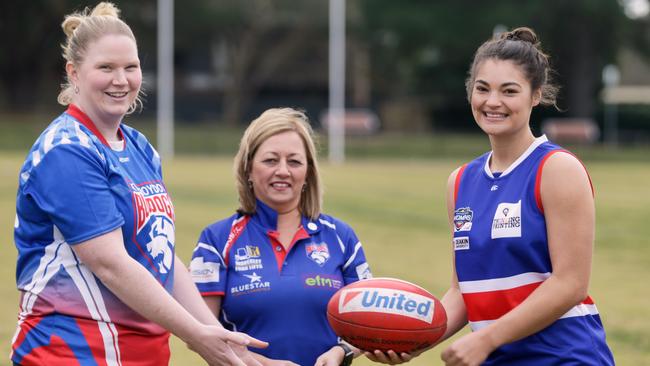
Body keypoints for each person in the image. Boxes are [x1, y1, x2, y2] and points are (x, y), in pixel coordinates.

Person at [10, 3, 266, 365]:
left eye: (131, 67)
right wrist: (196, 337)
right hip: (72, 353)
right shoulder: (66, 150)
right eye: (106, 68)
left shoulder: (140, 147)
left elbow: (160, 255)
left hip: (143, 355)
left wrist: (217, 335)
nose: (121, 80)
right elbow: (110, 263)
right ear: (74, 73)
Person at [189, 107, 374, 366]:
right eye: (271, 160)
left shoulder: (341, 238)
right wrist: (264, 364)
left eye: (295, 161)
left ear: (308, 172)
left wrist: (341, 352)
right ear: (248, 169)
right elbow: (198, 335)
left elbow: (368, 322)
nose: (283, 171)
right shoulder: (216, 240)